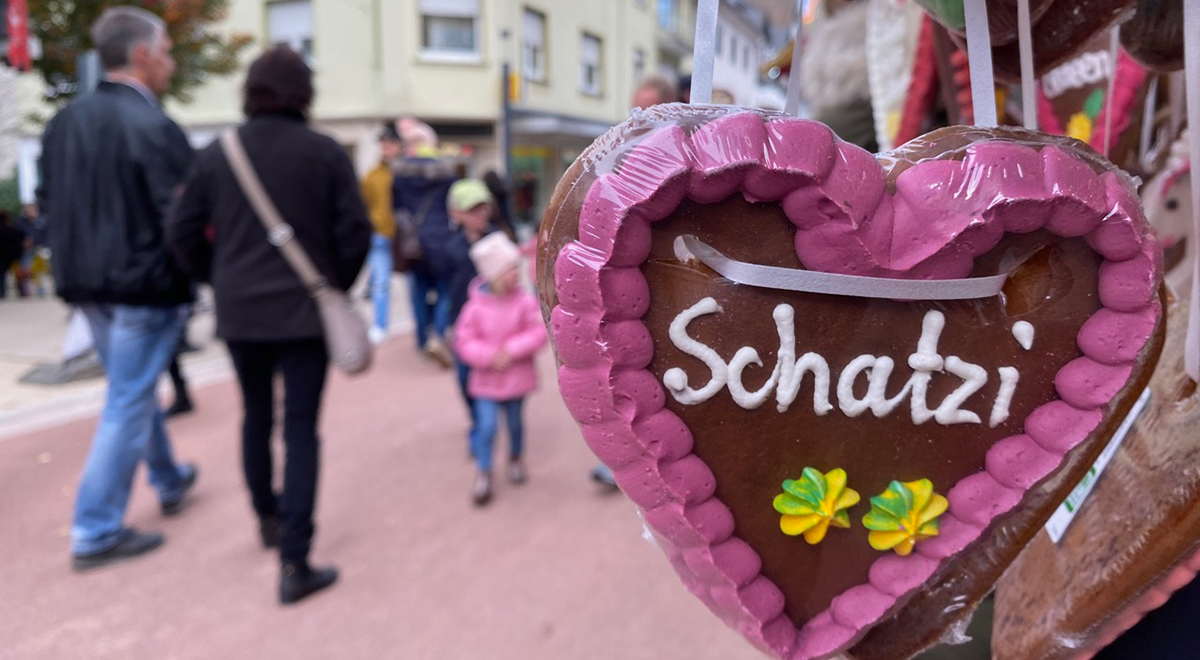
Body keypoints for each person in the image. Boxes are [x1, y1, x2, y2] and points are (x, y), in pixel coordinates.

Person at [168, 46, 371, 605]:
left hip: (240, 315)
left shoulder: (217, 154)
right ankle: (295, 564)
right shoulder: (324, 153)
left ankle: (268, 519)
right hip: (305, 313)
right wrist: (331, 286)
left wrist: (218, 280)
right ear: (304, 91)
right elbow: (355, 233)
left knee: (254, 416)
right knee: (301, 429)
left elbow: (181, 234)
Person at [38, 6, 199, 571]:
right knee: (129, 397)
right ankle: (95, 528)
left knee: (132, 388)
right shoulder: (155, 127)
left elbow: (50, 207)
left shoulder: (64, 123)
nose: (172, 64)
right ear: (142, 55)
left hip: (86, 284)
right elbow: (182, 217)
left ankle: (168, 475)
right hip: (144, 287)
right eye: (166, 52)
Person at [585, 74, 682, 493]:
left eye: (645, 111)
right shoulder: (623, 157)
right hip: (627, 289)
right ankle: (625, 462)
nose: (636, 119)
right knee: (620, 376)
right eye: (634, 110)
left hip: (673, 285)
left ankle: (662, 468)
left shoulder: (683, 152)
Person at [454, 233, 547, 505]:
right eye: (509, 270)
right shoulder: (474, 308)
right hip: (485, 381)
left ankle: (516, 457)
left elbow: (538, 330)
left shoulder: (524, 302)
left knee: (516, 423)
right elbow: (464, 340)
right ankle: (483, 471)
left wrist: (512, 350)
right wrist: (488, 356)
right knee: (486, 426)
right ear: (493, 274)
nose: (516, 275)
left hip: (516, 378)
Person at [393, 118, 457, 366]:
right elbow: (452, 207)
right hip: (441, 238)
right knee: (445, 290)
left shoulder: (398, 174)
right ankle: (438, 336)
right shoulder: (445, 173)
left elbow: (396, 210)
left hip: (413, 242)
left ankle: (421, 341)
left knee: (419, 292)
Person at [443, 178, 498, 448]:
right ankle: (478, 421)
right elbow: (446, 292)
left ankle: (494, 423)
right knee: (465, 378)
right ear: (456, 213)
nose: (480, 214)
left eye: (483, 207)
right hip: (463, 324)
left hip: (496, 324)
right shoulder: (450, 247)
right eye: (472, 209)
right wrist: (444, 325)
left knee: (497, 377)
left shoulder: (497, 241)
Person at [360, 123, 402, 344]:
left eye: (390, 143)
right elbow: (364, 204)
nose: (386, 148)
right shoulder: (372, 175)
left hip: (404, 236)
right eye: (383, 143)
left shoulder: (405, 170)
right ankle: (380, 325)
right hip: (380, 234)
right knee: (381, 283)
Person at [482, 171, 517, 241]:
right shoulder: (504, 193)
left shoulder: (490, 197)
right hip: (507, 223)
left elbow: (496, 213)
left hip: (498, 225)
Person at [0, 211, 24, 299]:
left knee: (2, 276)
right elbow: (23, 236)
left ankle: (2, 293)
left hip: (3, 257)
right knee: (18, 275)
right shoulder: (14, 229)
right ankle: (22, 291)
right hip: (13, 257)